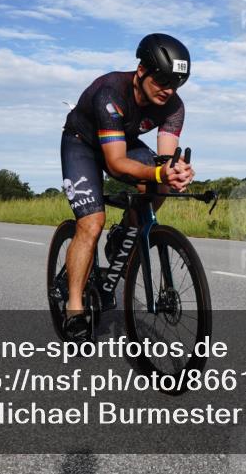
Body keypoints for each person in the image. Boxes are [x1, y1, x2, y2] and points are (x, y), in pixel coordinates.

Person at [60, 33, 195, 340]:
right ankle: (74, 305)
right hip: (81, 143)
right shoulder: (111, 92)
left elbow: (164, 158)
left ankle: (127, 230)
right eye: (162, 80)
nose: (169, 90)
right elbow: (116, 163)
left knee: (159, 186)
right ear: (142, 71)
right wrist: (160, 173)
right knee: (92, 224)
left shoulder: (173, 106)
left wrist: (175, 172)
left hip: (121, 141)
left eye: (176, 83)